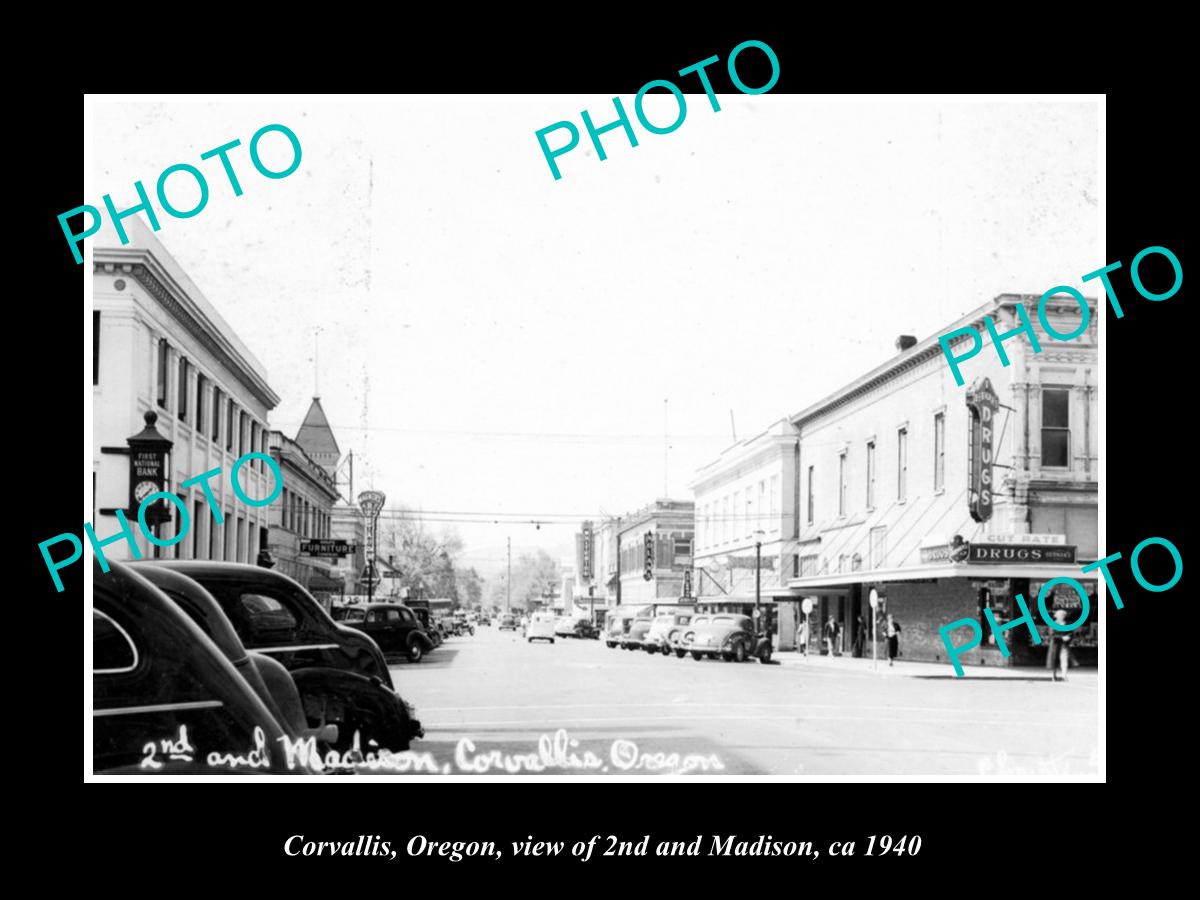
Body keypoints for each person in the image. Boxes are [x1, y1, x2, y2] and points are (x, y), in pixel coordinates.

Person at [1047, 609, 1072, 681]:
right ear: (1056, 616)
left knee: (1064, 660)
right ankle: (1054, 676)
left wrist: (1069, 636)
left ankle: (1064, 676)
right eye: (1060, 615)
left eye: (1063, 615)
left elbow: (1071, 632)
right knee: (1054, 660)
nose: (1062, 616)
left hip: (1064, 645)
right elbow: (1052, 635)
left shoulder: (1067, 624)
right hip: (1055, 645)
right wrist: (1062, 637)